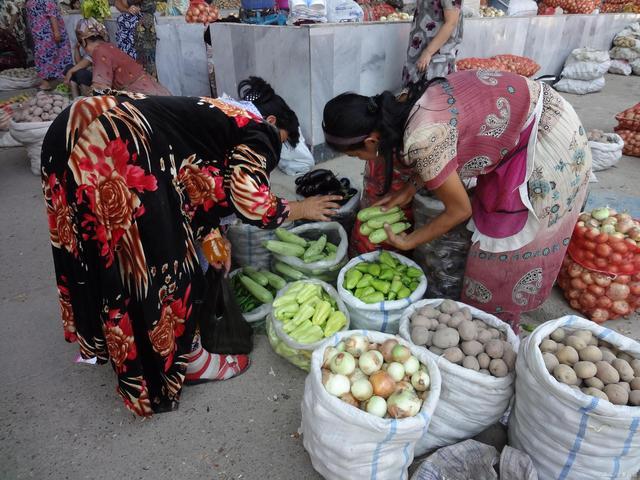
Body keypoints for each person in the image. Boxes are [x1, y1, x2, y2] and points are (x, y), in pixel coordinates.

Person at [41, 78, 341, 416]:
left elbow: (192, 182)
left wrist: (212, 235)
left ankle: (118, 342)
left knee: (95, 246)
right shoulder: (261, 129)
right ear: (274, 124)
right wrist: (302, 209)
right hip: (117, 145)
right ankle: (189, 361)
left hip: (72, 128)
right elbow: (249, 200)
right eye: (283, 142)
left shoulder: (212, 113)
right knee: (165, 265)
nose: (271, 159)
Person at [323, 70, 592, 331]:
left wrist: (409, 240)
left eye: (356, 156)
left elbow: (459, 210)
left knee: (507, 245)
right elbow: (441, 145)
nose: (361, 161)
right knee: (492, 218)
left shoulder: (421, 137)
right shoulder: (397, 105)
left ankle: (501, 322)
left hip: (546, 140)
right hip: (524, 118)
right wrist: (409, 189)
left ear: (371, 141)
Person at [72, 19, 171, 96]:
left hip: (141, 95)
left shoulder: (99, 51)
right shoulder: (108, 46)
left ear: (83, 42)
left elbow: (100, 89)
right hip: (151, 88)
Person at [401, 0, 462, 89]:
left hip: (435, 58)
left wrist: (428, 52)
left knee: (432, 96)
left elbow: (451, 23)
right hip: (419, 52)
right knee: (413, 97)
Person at [25, 0, 72, 90]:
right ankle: (50, 81)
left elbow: (52, 15)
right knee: (44, 56)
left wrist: (56, 32)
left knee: (52, 55)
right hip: (39, 33)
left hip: (48, 32)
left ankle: (60, 81)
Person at [63, 18, 108, 98]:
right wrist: (76, 48)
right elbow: (79, 63)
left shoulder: (98, 45)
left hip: (99, 80)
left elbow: (84, 63)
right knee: (69, 67)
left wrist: (71, 72)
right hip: (93, 75)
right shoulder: (87, 44)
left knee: (81, 73)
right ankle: (76, 98)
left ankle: (86, 98)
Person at [115, 0, 157, 77]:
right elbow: (117, 3)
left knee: (146, 60)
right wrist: (128, 9)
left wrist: (135, 7)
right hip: (128, 24)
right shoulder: (124, 19)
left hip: (143, 24)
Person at [0, 0, 29, 69]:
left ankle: (26, 66)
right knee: (16, 51)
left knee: (23, 50)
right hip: (7, 35)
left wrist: (10, 27)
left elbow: (15, 13)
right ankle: (20, 66)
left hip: (16, 30)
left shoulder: (5, 2)